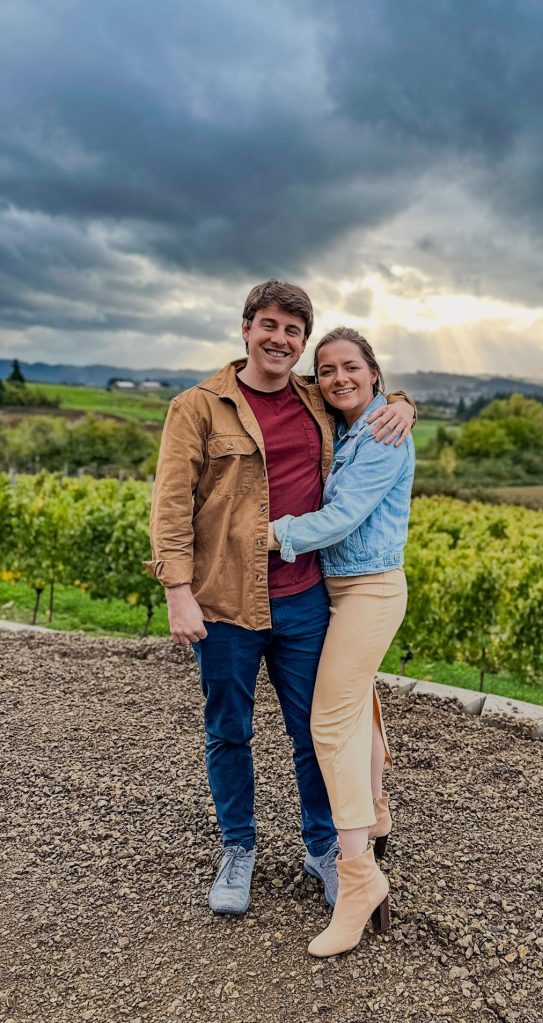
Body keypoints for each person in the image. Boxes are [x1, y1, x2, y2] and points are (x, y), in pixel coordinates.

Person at [146, 281, 415, 916]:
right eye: (269, 325)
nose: (280, 339)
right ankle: (238, 848)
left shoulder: (313, 399)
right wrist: (178, 592)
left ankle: (322, 848)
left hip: (304, 599)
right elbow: (170, 505)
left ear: (300, 344)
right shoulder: (196, 407)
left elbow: (363, 398)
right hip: (225, 602)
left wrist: (405, 401)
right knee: (228, 731)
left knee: (313, 732)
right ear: (245, 329)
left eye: (293, 332)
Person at [268, 326, 415, 957]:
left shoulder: (382, 434)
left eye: (350, 367)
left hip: (371, 591)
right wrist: (409, 398)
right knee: (356, 710)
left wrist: (267, 534)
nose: (337, 378)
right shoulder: (349, 427)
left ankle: (357, 877)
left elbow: (344, 516)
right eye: (326, 370)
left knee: (329, 723)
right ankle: (375, 810)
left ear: (373, 372)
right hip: (341, 591)